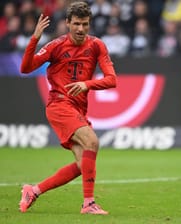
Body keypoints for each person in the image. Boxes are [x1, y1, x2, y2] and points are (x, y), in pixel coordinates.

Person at [19, 1, 117, 215]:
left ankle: (33, 190)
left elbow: (112, 80)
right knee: (92, 141)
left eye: (85, 24)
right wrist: (35, 38)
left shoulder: (97, 45)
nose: (80, 29)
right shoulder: (56, 46)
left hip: (79, 109)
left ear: (89, 24)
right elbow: (25, 68)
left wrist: (86, 84)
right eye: (76, 24)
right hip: (59, 104)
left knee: (84, 164)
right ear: (67, 23)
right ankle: (88, 204)